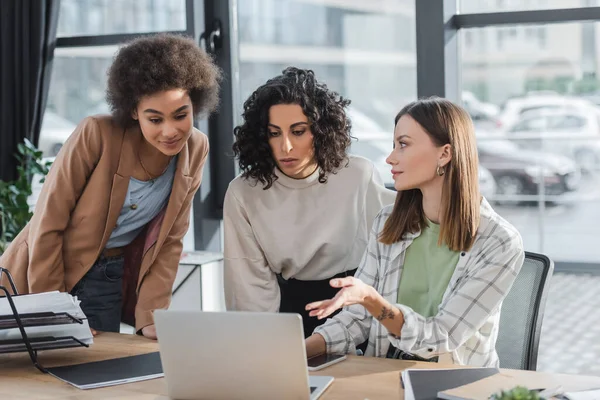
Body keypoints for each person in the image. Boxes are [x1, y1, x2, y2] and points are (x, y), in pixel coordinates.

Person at [0, 33, 221, 339]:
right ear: (134, 111)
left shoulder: (196, 147)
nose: (170, 131)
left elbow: (169, 241)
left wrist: (152, 317)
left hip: (108, 276)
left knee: (99, 375)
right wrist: (54, 311)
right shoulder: (97, 134)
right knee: (35, 380)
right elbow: (48, 223)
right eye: (154, 119)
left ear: (194, 104)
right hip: (42, 272)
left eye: (180, 115)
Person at [304, 97, 524, 367]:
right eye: (394, 145)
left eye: (403, 145)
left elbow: (441, 337)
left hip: (455, 385)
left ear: (445, 153)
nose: (390, 157)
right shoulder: (388, 222)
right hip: (385, 376)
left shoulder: (499, 242)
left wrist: (373, 301)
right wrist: (295, 352)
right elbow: (357, 319)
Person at [223, 67, 396, 338]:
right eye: (274, 133)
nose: (286, 147)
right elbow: (250, 290)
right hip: (289, 314)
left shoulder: (357, 175)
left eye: (298, 131)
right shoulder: (243, 193)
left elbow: (390, 256)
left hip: (356, 310)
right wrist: (258, 348)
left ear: (320, 130)